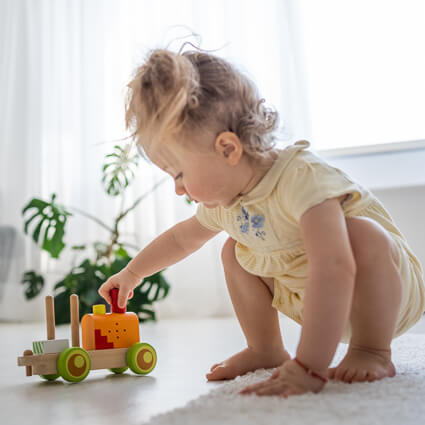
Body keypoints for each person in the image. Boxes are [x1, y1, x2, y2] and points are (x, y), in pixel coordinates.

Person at [98, 47, 425, 398]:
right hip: (313, 302)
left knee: (362, 235)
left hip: (383, 296)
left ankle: (373, 350)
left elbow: (334, 268)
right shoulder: (227, 201)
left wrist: (309, 367)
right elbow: (182, 240)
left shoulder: (302, 178)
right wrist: (132, 274)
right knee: (233, 250)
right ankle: (265, 348)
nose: (178, 188)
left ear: (228, 149)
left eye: (178, 173)